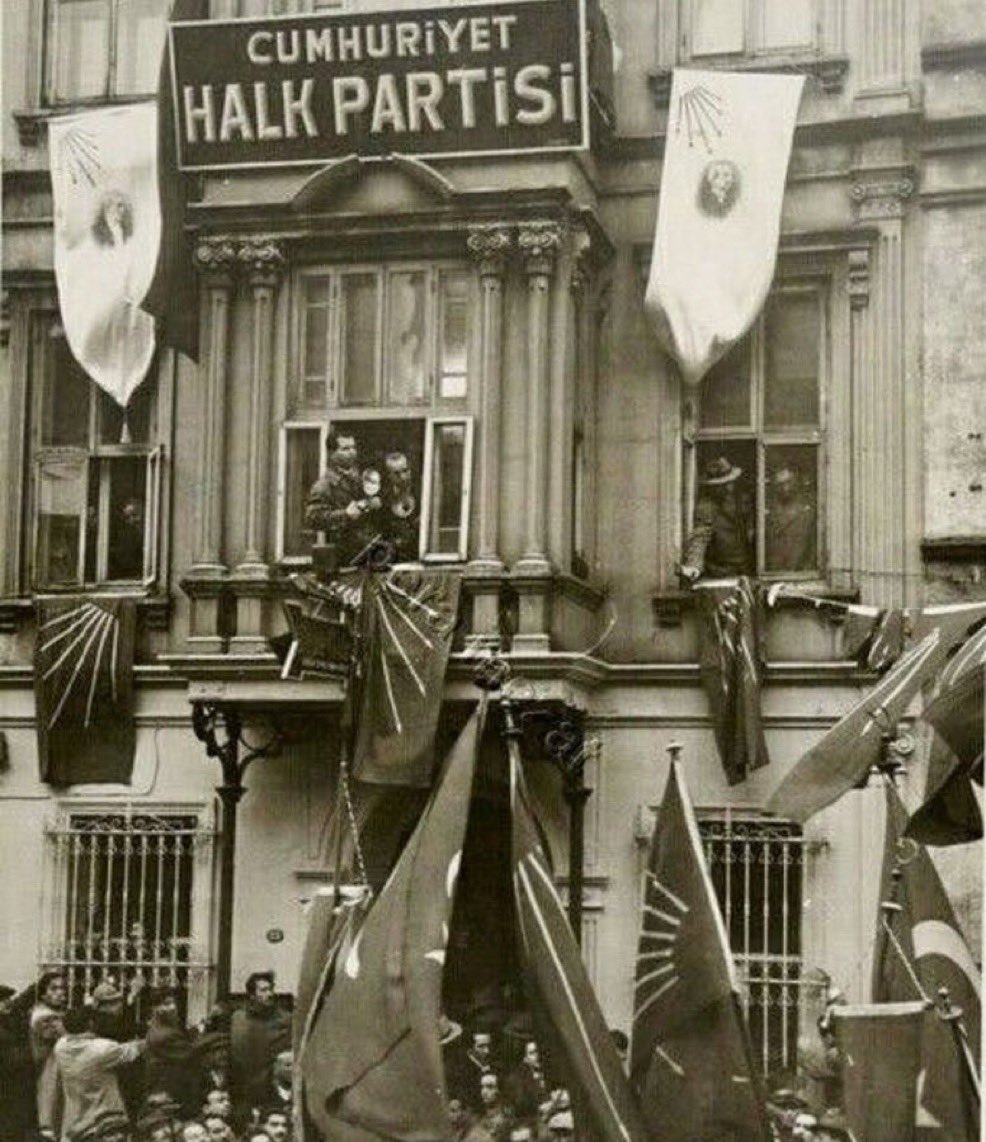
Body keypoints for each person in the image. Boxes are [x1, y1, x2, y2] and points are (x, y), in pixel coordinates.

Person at [54, 1005, 144, 1142]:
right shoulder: (102, 1049)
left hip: (74, 1123)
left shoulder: (60, 1047)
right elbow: (133, 1050)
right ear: (90, 1023)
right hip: (103, 1123)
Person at [305, 431, 375, 565]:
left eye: (353, 447)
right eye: (345, 449)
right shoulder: (324, 486)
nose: (352, 452)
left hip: (367, 554)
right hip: (342, 559)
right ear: (331, 454)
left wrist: (371, 504)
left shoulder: (362, 480)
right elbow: (312, 518)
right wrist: (345, 514)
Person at [228, 973, 290, 1123]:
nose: (269, 994)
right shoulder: (238, 1019)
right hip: (242, 1088)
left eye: (270, 989)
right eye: (263, 990)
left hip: (271, 1090)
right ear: (252, 995)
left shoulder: (285, 1020)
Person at [680, 456, 755, 581]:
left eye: (729, 483)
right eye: (721, 485)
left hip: (747, 569)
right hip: (721, 573)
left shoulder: (742, 500)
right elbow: (700, 538)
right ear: (713, 487)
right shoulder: (706, 508)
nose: (727, 488)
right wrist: (694, 566)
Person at [142, 989, 202, 1119]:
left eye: (173, 1003)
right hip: (168, 1092)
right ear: (155, 1009)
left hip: (166, 1089)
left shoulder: (161, 1030)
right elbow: (190, 1053)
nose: (173, 1007)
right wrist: (202, 1036)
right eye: (166, 1004)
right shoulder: (164, 1035)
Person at [31, 970, 68, 1139]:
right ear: (43, 994)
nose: (60, 992)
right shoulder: (45, 1016)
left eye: (62, 988)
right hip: (47, 1069)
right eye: (54, 989)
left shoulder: (51, 1014)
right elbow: (66, 1037)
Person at [765, 466, 815, 573]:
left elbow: (813, 544)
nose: (785, 488)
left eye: (788, 482)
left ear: (796, 482)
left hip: (800, 572)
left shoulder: (808, 509)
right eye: (780, 484)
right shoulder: (767, 509)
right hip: (772, 571)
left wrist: (807, 569)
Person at [504, 1040, 547, 1120]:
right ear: (525, 1058)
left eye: (538, 1051)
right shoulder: (518, 1078)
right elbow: (521, 1105)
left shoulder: (548, 1072)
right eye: (532, 1053)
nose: (537, 1056)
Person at [476, 1073, 511, 1141]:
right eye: (482, 1087)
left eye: (490, 1087)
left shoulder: (508, 1119)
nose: (484, 1092)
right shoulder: (480, 1120)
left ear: (499, 1090)